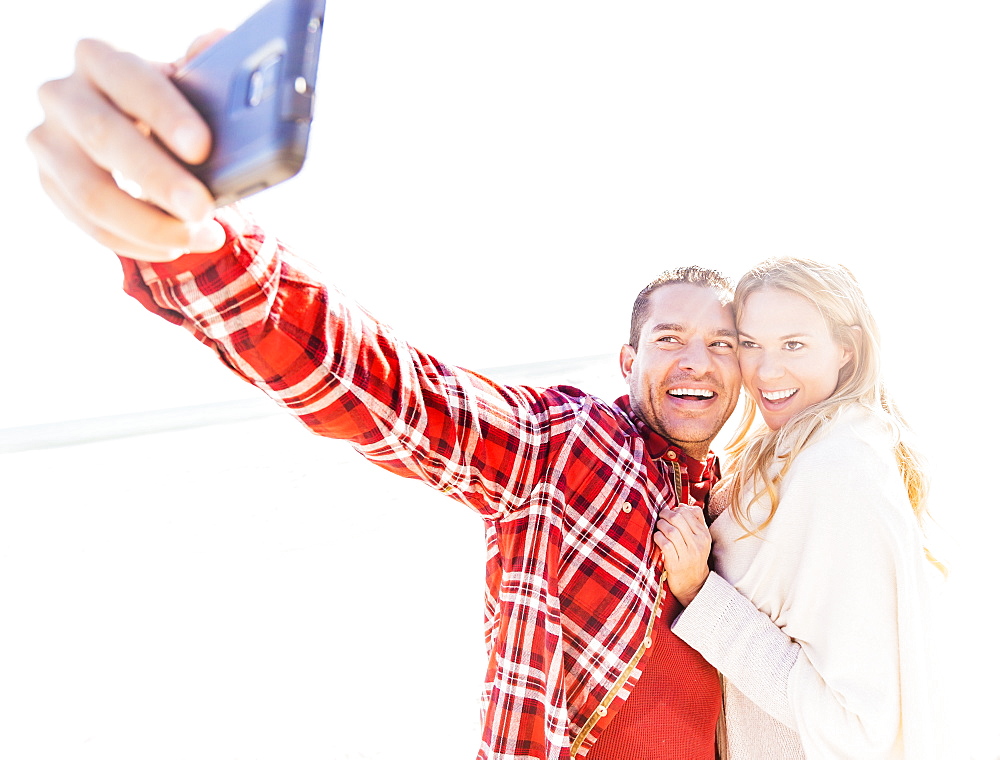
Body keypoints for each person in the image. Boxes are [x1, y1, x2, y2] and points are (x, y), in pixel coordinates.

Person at [27, 37, 745, 759]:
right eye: (670, 338)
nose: (697, 362)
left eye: (722, 344)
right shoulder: (569, 444)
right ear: (627, 361)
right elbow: (397, 392)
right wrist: (199, 248)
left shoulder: (738, 499)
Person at [654, 257, 943, 758]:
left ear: (846, 349)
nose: (766, 371)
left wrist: (699, 593)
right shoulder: (801, 447)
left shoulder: (838, 470)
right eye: (749, 345)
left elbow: (857, 725)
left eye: (794, 345)